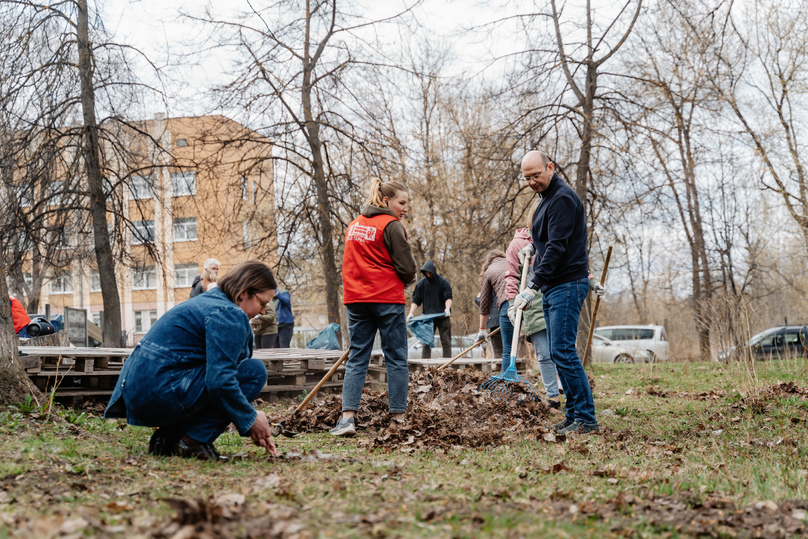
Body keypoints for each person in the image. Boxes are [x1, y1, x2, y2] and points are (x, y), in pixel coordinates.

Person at [105, 260, 279, 460]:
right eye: (263, 303)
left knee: (232, 374)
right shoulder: (229, 314)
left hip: (141, 392)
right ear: (243, 293)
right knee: (253, 372)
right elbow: (220, 382)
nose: (264, 311)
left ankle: (169, 438)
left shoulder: (210, 301)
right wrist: (250, 418)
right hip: (161, 391)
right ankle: (191, 442)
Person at [513, 150, 603, 435]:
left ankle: (586, 418)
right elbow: (548, 242)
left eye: (536, 175)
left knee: (563, 351)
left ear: (550, 167)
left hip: (566, 284)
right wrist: (534, 247)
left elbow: (557, 248)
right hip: (555, 286)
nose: (532, 182)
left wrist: (532, 286)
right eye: (527, 178)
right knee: (556, 351)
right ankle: (573, 415)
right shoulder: (546, 199)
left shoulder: (562, 198)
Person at [331, 177, 417, 437]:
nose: (405, 208)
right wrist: (408, 278)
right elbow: (407, 268)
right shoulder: (392, 225)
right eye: (402, 203)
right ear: (386, 200)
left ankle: (347, 419)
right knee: (396, 357)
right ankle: (399, 416)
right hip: (386, 299)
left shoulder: (354, 225)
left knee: (358, 356)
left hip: (356, 300)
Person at [505, 199, 561, 409]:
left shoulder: (555, 237)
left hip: (555, 297)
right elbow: (510, 277)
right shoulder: (517, 245)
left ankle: (568, 389)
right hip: (531, 304)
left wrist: (591, 281)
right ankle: (553, 396)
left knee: (561, 350)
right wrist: (512, 304)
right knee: (544, 354)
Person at [407, 260, 453, 358]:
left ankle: (447, 364)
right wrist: (411, 313)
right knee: (426, 343)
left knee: (446, 341)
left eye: (430, 273)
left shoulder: (443, 282)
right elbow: (416, 300)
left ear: (433, 271)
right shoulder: (421, 285)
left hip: (443, 316)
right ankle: (425, 365)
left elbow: (448, 297)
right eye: (426, 273)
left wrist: (447, 309)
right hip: (428, 319)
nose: (428, 275)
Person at [476, 251, 512, 371]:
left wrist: (481, 330)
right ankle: (509, 374)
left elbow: (483, 303)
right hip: (514, 310)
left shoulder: (490, 271)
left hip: (497, 316)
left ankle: (502, 375)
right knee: (511, 348)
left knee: (500, 350)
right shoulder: (512, 264)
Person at [474, 293, 502, 358]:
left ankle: (501, 366)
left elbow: (482, 303)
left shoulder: (490, 285)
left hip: (495, 321)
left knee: (498, 350)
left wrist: (478, 297)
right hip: (509, 318)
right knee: (510, 349)